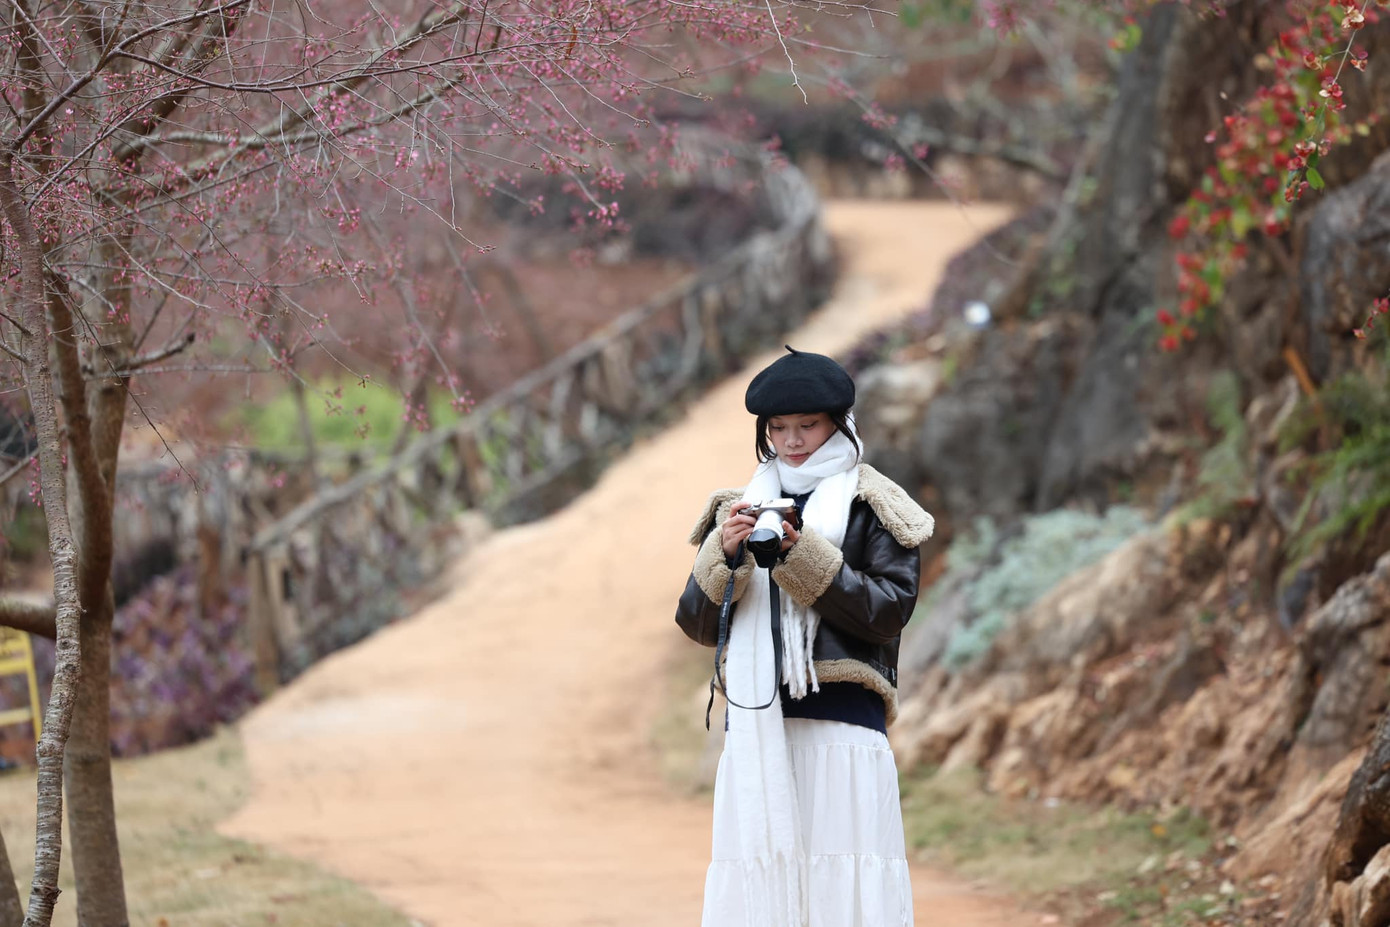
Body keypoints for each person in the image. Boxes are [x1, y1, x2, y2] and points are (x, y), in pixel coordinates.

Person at [675, 345, 934, 927]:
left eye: (807, 426)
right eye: (778, 428)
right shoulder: (737, 507)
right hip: (758, 730)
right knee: (759, 888)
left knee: (845, 886)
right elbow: (695, 623)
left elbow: (889, 612)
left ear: (839, 423)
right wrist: (728, 555)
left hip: (843, 728)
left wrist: (802, 555)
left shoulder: (875, 504)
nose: (792, 441)